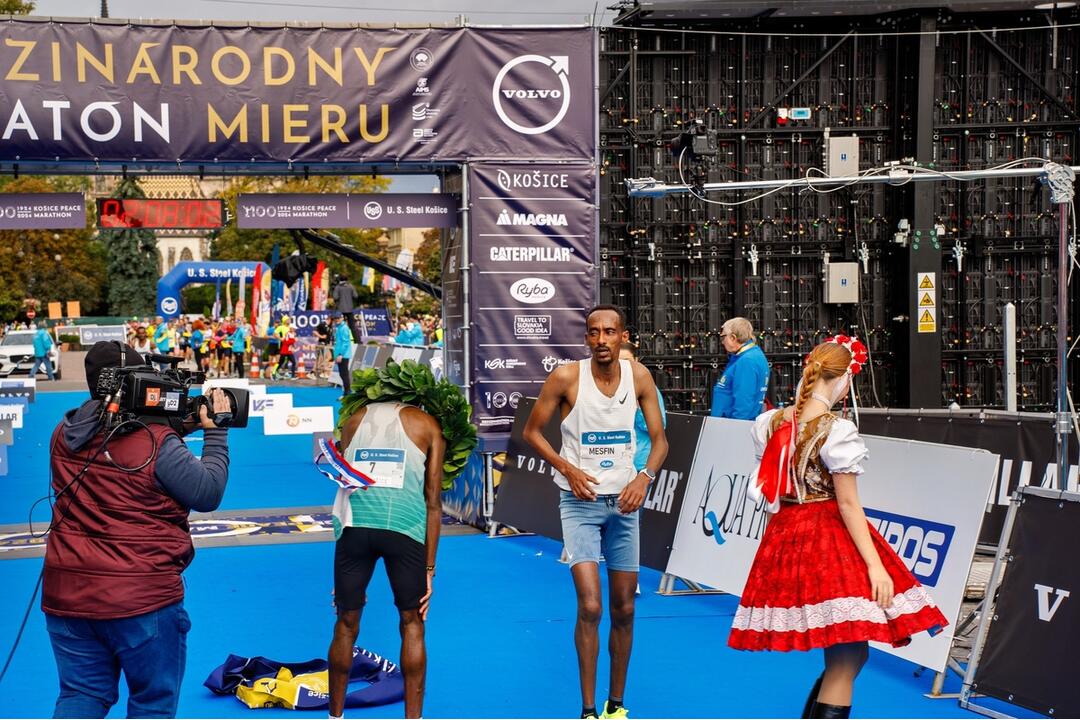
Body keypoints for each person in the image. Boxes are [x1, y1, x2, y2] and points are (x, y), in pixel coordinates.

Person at [729, 337, 948, 719]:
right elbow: (848, 503)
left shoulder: (770, 423)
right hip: (828, 538)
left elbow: (771, 493)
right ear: (844, 380)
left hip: (787, 532)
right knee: (847, 653)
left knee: (848, 650)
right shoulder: (836, 429)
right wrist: (875, 566)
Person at [42, 341, 233, 718]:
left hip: (67, 594)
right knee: (152, 704)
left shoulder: (63, 433)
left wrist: (177, 427)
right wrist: (216, 432)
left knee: (81, 695)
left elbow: (124, 450)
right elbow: (207, 491)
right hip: (141, 599)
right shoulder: (158, 444)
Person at [523, 305, 668, 720]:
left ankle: (615, 705)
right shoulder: (567, 377)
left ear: (623, 336)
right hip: (579, 502)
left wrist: (644, 478)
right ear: (585, 338)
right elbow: (532, 431)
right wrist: (567, 468)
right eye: (593, 332)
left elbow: (659, 441)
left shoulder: (639, 378)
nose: (601, 339)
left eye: (609, 331)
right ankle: (588, 710)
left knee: (625, 608)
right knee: (590, 606)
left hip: (625, 504)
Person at [327, 400, 445, 719]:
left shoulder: (354, 420)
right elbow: (433, 503)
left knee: (345, 622)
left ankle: (334, 716)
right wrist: (429, 569)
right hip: (404, 529)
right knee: (412, 623)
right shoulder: (428, 424)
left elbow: (345, 482)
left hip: (354, 529)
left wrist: (342, 572)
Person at [619, 342, 667, 473]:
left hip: (639, 464)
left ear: (635, 360)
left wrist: (638, 408)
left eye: (627, 360)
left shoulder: (649, 388)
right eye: (618, 361)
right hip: (615, 465)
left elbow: (660, 426)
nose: (624, 365)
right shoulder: (609, 388)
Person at [710, 317, 770, 419]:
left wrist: (735, 429)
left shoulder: (747, 361)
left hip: (731, 427)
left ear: (733, 338)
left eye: (723, 337)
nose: (722, 342)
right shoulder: (751, 356)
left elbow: (743, 404)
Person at [333, 313, 355, 398]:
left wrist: (340, 354)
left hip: (343, 355)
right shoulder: (339, 327)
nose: (336, 320)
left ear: (342, 318)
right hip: (340, 354)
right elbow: (339, 342)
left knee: (344, 374)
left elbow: (345, 343)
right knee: (342, 374)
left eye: (338, 318)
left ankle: (347, 393)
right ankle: (346, 392)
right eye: (335, 318)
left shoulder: (344, 328)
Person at [332, 276, 360, 342]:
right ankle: (357, 341)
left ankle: (340, 340)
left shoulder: (338, 287)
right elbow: (356, 296)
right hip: (349, 309)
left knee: (340, 325)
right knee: (352, 326)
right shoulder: (351, 286)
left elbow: (335, 297)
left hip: (340, 310)